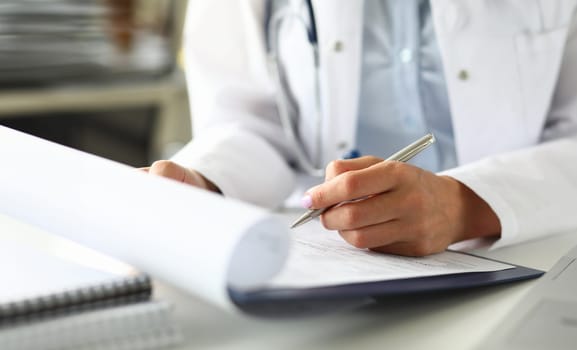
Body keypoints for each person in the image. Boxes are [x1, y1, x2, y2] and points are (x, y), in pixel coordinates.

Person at [145, 0, 577, 256]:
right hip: (324, 257)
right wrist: (205, 180)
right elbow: (251, 115)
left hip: (526, 249)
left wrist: (463, 206)